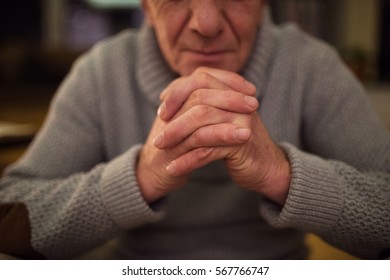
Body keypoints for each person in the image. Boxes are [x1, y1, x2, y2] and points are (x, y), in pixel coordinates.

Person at [0, 0, 389, 260]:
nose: (205, 24)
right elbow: (10, 214)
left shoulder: (311, 65)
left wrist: (281, 173)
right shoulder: (102, 72)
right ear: (147, 8)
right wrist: (138, 178)